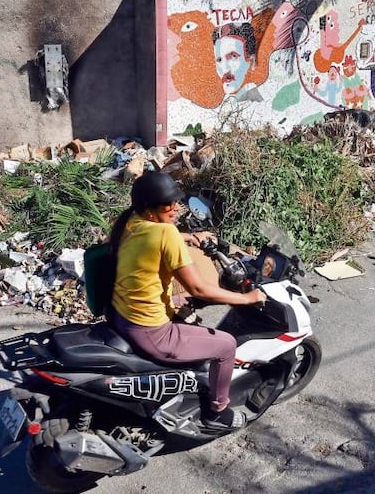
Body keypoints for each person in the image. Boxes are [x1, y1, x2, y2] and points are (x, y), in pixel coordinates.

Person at [107, 172, 267, 431]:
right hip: (151, 331)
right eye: (169, 205)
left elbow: (154, 237)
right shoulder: (165, 234)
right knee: (226, 345)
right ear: (151, 210)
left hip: (122, 314)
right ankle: (217, 412)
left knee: (187, 302)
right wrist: (246, 298)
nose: (176, 208)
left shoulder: (130, 222)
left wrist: (190, 237)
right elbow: (199, 287)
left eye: (177, 201)